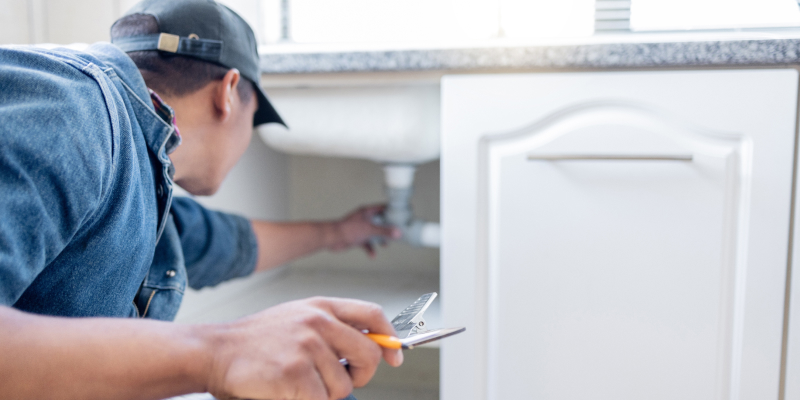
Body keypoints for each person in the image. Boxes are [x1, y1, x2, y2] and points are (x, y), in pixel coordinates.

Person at [0, 0, 404, 399]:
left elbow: (227, 243)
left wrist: (340, 232)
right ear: (228, 92)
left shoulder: (136, 173)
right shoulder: (76, 109)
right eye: (255, 117)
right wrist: (221, 353)